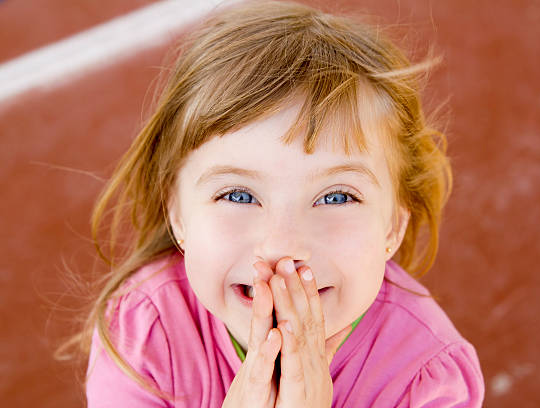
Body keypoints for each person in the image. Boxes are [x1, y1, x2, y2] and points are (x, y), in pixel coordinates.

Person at [76, 1, 485, 406]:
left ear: (392, 228)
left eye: (337, 197)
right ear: (178, 215)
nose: (282, 248)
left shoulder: (427, 381)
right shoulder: (145, 332)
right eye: (238, 195)